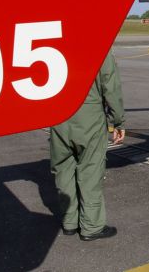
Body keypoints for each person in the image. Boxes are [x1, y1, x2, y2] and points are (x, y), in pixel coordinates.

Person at [50, 50, 126, 241]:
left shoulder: (56, 43)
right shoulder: (98, 46)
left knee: (63, 169)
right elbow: (111, 87)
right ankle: (91, 226)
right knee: (90, 171)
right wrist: (118, 121)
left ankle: (69, 222)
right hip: (88, 116)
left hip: (58, 115)